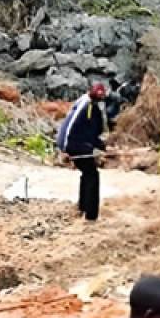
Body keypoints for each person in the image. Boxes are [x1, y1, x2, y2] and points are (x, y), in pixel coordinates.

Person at [57, 83, 107, 221]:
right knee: (92, 175)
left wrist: (100, 146)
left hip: (79, 144)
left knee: (88, 173)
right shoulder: (85, 106)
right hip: (75, 145)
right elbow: (69, 128)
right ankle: (90, 215)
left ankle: (83, 207)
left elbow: (91, 131)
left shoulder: (88, 104)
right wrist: (65, 149)